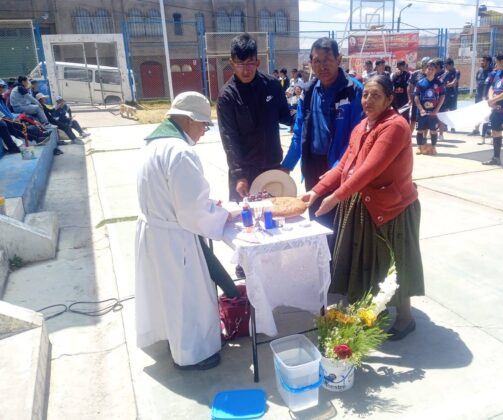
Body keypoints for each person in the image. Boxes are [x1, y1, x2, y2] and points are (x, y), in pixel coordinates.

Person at [303, 75, 424, 341]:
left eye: (376, 95)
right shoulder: (362, 126)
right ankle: (373, 311)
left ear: (390, 99)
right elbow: (345, 164)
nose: (368, 100)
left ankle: (405, 319)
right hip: (363, 203)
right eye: (365, 94)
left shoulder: (395, 126)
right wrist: (316, 191)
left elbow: (369, 170)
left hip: (393, 207)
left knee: (395, 264)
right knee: (368, 262)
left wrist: (335, 197)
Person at [135, 91, 238, 370]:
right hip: (174, 237)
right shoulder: (181, 152)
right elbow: (193, 214)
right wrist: (224, 213)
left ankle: (172, 340)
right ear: (189, 120)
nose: (204, 132)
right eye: (204, 125)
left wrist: (206, 206)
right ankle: (192, 355)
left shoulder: (153, 144)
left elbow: (177, 198)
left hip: (155, 230)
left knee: (165, 293)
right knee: (186, 297)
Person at [281, 37, 363, 230]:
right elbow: (299, 134)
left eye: (327, 60)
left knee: (341, 226)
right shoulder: (308, 93)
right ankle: (322, 261)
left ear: (339, 59)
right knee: (317, 222)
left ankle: (339, 261)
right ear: (311, 63)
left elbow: (357, 138)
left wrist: (337, 169)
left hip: (341, 168)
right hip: (313, 168)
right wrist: (286, 166)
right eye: (317, 61)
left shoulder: (354, 92)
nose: (322, 66)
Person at [217, 33, 292, 202]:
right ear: (231, 63)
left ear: (257, 62)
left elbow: (286, 116)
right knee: (246, 223)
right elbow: (229, 139)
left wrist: (305, 114)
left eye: (250, 63)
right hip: (245, 172)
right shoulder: (227, 97)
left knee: (274, 218)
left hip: (272, 167)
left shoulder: (272, 85)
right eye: (240, 63)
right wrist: (239, 175)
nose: (246, 69)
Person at [414, 60, 445, 155]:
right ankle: (419, 147)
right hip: (422, 112)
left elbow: (442, 96)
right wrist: (421, 109)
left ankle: (434, 147)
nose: (430, 71)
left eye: (432, 69)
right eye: (429, 69)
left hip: (433, 112)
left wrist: (436, 110)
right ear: (425, 70)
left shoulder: (439, 83)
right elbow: (416, 97)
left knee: (433, 130)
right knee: (419, 130)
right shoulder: (420, 83)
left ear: (435, 71)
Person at [470, 55, 493, 139]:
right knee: (478, 112)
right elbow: (478, 81)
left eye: (483, 61)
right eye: (481, 60)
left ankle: (488, 130)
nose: (481, 62)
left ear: (488, 62)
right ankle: (476, 129)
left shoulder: (492, 72)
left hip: (487, 96)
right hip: (478, 95)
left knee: (487, 113)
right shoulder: (479, 71)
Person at [408, 57, 430, 134]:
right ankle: (409, 137)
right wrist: (410, 98)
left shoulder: (430, 75)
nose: (427, 67)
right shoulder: (415, 74)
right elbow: (410, 86)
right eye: (425, 65)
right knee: (413, 120)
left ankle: (424, 138)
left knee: (425, 120)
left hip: (426, 101)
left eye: (428, 65)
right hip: (416, 101)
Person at [439, 58, 460, 136]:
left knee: (452, 111)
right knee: (444, 110)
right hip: (445, 94)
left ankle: (453, 126)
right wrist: (446, 84)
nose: (445, 67)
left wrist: (446, 85)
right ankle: (445, 126)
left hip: (453, 94)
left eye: (447, 65)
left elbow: (454, 83)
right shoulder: (446, 72)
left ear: (451, 65)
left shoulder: (456, 72)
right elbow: (442, 82)